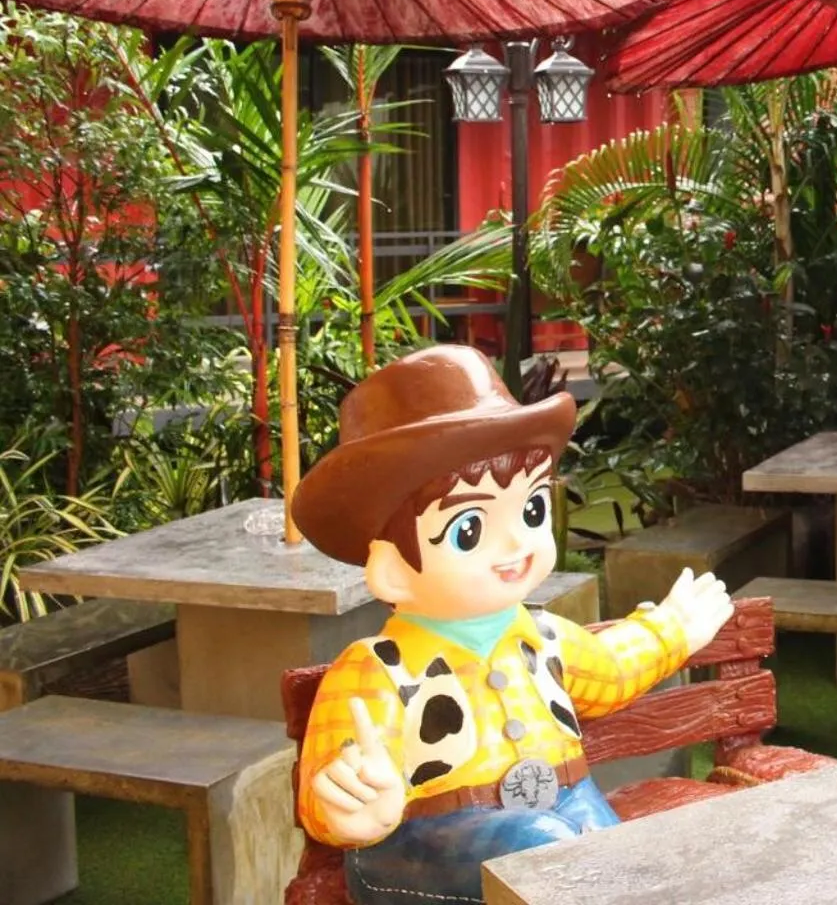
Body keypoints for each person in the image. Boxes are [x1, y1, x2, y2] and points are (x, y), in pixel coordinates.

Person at [290, 345, 734, 905]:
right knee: (541, 850)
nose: (517, 542)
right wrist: (352, 806)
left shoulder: (543, 637)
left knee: (608, 855)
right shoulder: (377, 670)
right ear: (393, 570)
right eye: (469, 529)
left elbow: (611, 667)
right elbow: (341, 764)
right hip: (424, 840)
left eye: (532, 510)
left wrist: (672, 628)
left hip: (566, 804)